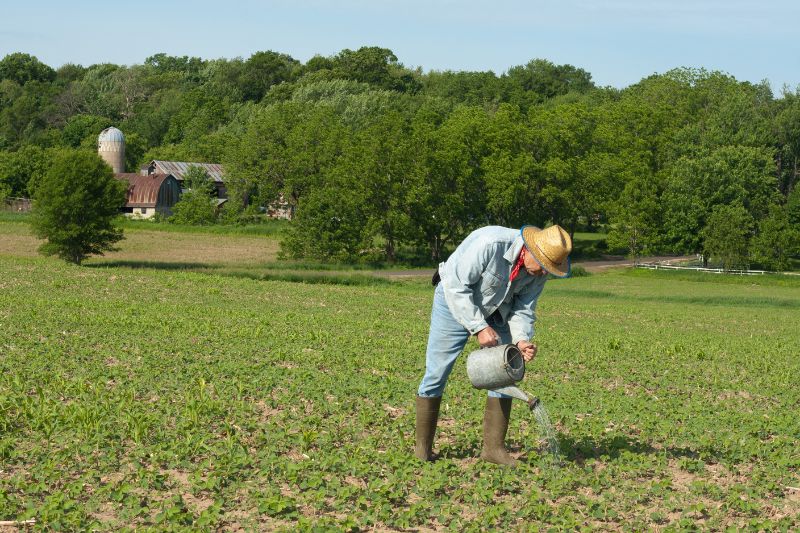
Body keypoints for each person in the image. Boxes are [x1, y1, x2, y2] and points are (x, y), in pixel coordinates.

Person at [415, 224, 572, 465]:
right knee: (437, 373)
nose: (543, 274)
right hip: (453, 301)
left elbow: (524, 308)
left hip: (498, 312)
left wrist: (521, 339)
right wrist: (478, 327)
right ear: (529, 250)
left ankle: (493, 450)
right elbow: (456, 286)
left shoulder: (538, 273)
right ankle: (422, 451)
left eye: (549, 269)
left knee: (504, 371)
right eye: (543, 266)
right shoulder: (490, 243)